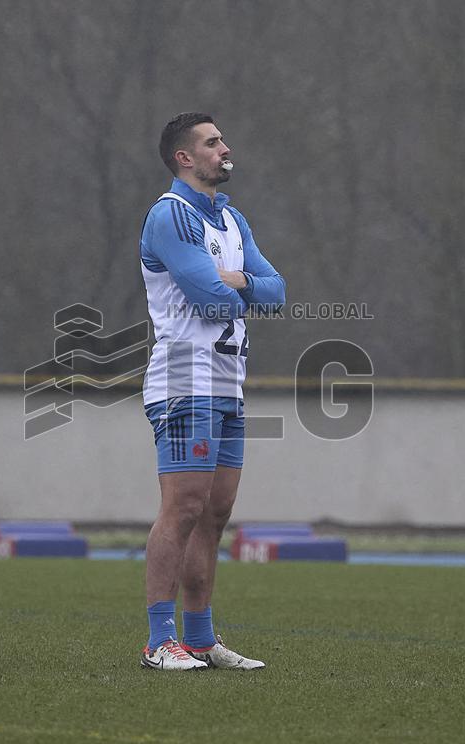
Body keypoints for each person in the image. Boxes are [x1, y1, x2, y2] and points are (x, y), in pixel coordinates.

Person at [138, 113, 286, 670]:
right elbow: (207, 301)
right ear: (185, 157)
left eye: (223, 137)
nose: (226, 147)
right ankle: (158, 641)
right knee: (184, 507)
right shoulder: (169, 215)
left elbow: (278, 293)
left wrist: (239, 281)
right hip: (184, 382)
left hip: (227, 385)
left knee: (216, 514)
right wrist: (236, 287)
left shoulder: (231, 219)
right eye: (213, 141)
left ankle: (200, 639)